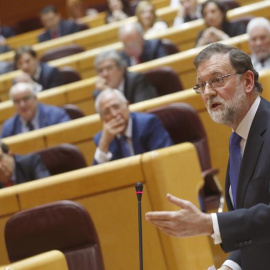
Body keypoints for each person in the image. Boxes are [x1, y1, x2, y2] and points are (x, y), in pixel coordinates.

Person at [146, 42, 270, 270]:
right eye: (201, 85)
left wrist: (210, 224)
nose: (208, 92)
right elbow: (251, 230)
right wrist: (230, 267)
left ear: (248, 81)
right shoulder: (240, 138)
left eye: (217, 80)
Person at [92, 89, 172, 165]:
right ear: (102, 118)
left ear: (127, 105)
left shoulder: (148, 124)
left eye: (116, 107)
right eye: (106, 112)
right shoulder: (102, 140)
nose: (114, 114)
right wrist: (103, 144)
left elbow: (164, 160)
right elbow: (96, 177)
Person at [1, 82, 70, 138]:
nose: (22, 105)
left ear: (35, 98)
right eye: (17, 101)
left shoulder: (56, 116)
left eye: (26, 99)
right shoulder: (8, 128)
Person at [93, 50, 157, 103]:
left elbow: (142, 112)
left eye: (109, 68)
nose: (104, 74)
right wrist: (107, 92)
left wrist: (109, 93)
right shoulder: (99, 93)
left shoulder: (137, 80)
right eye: (100, 71)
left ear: (121, 68)